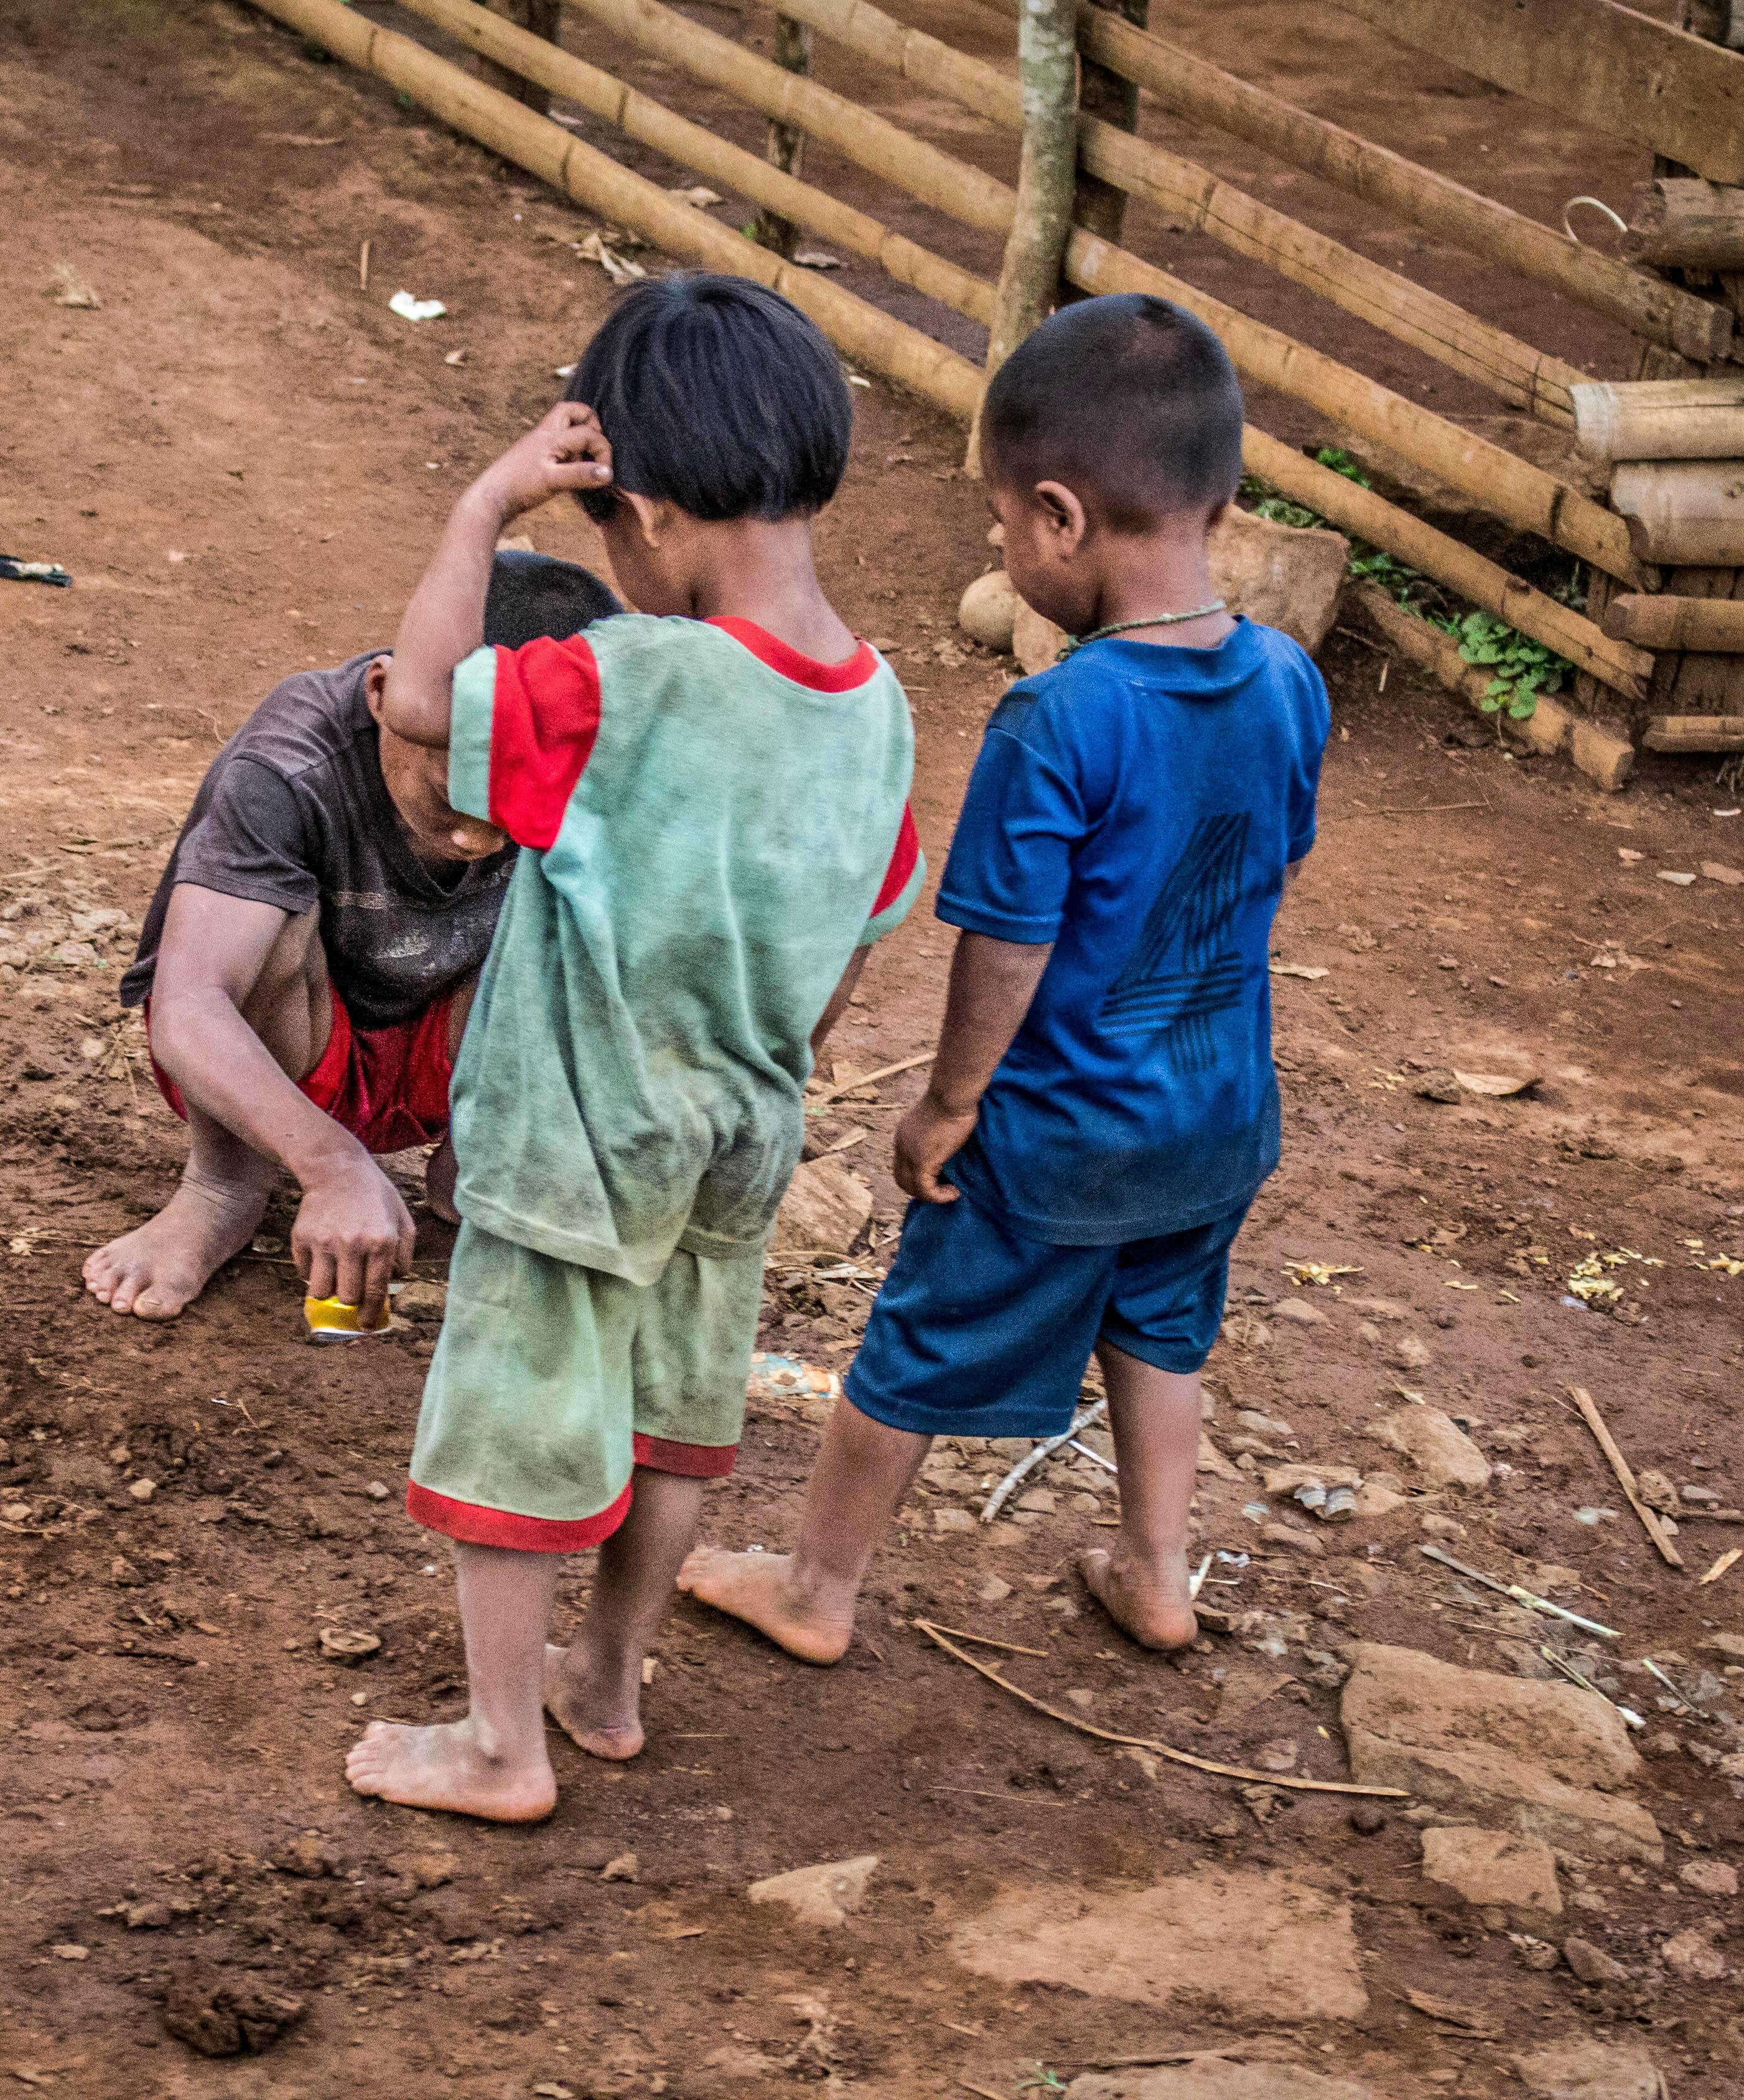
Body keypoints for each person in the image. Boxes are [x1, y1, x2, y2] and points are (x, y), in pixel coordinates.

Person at [343, 274, 923, 1823]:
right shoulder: (879, 711)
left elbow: (413, 704)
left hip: (571, 1132)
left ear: (651, 515)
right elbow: (862, 937)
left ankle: (495, 1744)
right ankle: (602, 1686)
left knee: (522, 1414)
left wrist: (481, 508)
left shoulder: (625, 680)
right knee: (676, 1414)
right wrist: (773, 1068)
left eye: (607, 534)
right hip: (739, 1133)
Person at [681, 292, 1330, 1663]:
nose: (1001, 547)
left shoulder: (1064, 711)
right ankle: (1159, 1573)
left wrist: (948, 1102)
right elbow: (1270, 863)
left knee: (917, 1345)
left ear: (1059, 518)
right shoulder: (1286, 679)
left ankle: (817, 1586)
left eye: (995, 523)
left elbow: (1010, 942)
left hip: (1061, 1133)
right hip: (1221, 1114)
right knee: (1162, 1333)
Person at [84, 551, 622, 1323]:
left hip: (455, 1051)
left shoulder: (594, 756)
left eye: (517, 802)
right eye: (453, 789)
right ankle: (224, 1187)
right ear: (385, 697)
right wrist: (334, 1165)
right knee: (268, 920)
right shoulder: (292, 762)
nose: (480, 837)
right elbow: (190, 1008)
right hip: (294, 1059)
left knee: (587, 910)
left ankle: (479, 1165)